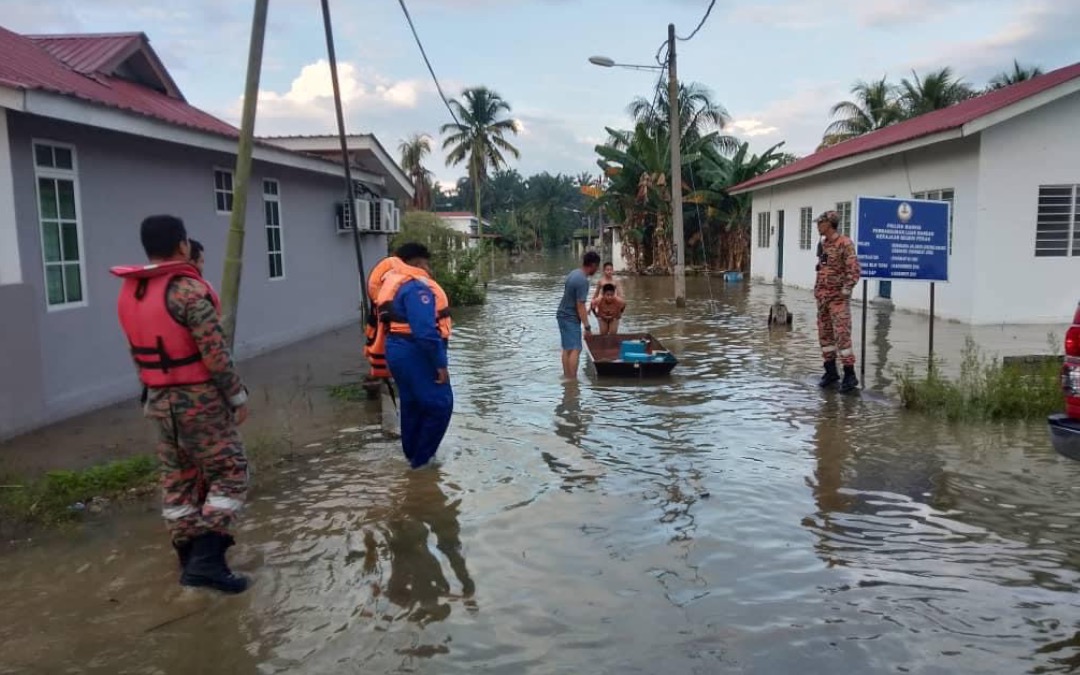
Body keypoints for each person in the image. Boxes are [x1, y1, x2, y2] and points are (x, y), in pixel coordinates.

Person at [110, 215, 250, 594]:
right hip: (198, 398)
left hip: (158, 399)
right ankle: (207, 561)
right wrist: (237, 396)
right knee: (231, 470)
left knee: (178, 479)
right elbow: (215, 353)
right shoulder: (188, 291)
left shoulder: (131, 292)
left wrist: (152, 392)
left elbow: (137, 353)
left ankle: (188, 562)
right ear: (182, 245)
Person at [375, 243, 453, 469]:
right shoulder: (416, 288)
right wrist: (440, 363)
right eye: (427, 264)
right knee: (440, 405)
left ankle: (412, 457)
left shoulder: (393, 283)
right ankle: (422, 463)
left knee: (413, 405)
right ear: (418, 263)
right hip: (416, 352)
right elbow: (425, 331)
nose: (428, 269)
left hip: (397, 349)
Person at [814, 210, 861, 393]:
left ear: (829, 224)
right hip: (823, 299)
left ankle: (850, 375)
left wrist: (846, 290)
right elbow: (822, 267)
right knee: (825, 336)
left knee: (842, 336)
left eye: (820, 223)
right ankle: (831, 372)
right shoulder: (824, 244)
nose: (818, 226)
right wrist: (818, 291)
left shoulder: (845, 243)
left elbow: (854, 269)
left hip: (837, 300)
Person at [557, 251, 601, 379]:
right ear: (592, 265)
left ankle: (567, 377)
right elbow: (580, 306)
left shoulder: (574, 273)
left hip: (562, 314)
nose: (597, 269)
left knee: (567, 348)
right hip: (570, 317)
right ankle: (572, 379)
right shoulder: (583, 281)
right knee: (575, 348)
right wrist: (587, 327)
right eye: (597, 266)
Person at [364, 254, 407, 380]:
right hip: (398, 356)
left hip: (382, 355)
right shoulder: (400, 285)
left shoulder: (378, 294)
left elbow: (371, 328)